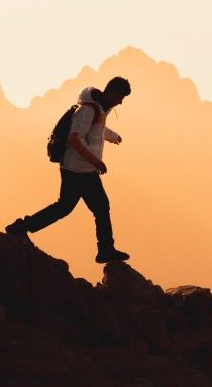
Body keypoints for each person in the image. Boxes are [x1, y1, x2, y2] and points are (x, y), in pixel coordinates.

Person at [8, 76, 132, 262]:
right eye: (120, 97)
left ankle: (20, 227)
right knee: (100, 207)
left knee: (64, 207)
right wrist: (95, 161)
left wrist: (112, 136)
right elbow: (75, 137)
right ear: (112, 92)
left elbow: (96, 130)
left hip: (78, 168)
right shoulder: (88, 109)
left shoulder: (98, 108)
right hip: (79, 170)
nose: (121, 102)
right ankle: (105, 250)